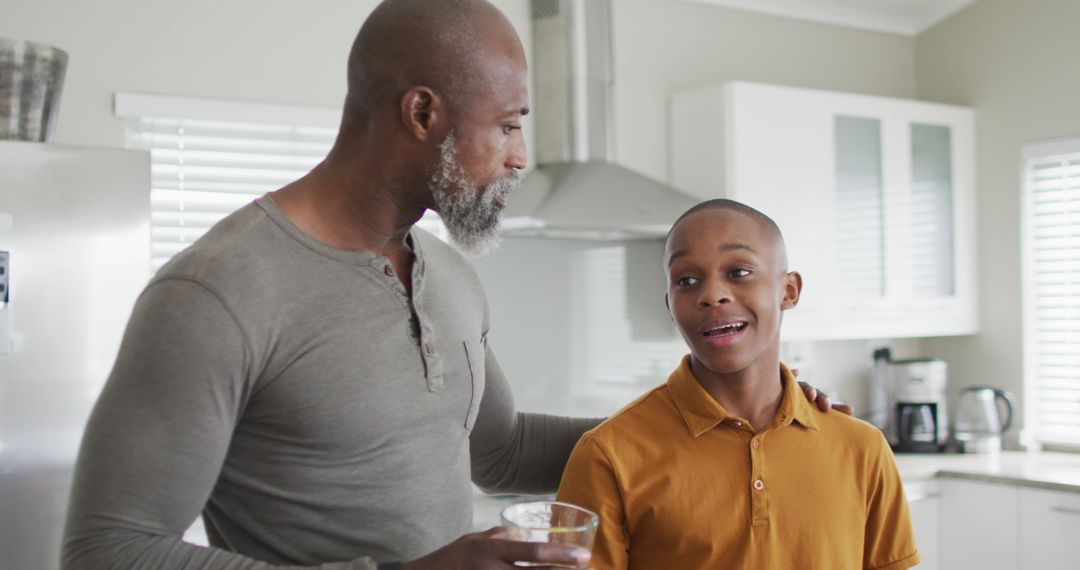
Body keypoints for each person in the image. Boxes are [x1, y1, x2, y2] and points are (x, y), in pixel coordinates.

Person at [61, 2, 844, 569]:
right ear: (423, 113)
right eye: (507, 124)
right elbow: (106, 548)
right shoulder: (217, 293)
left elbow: (498, 450)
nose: (519, 156)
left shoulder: (449, 275)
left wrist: (734, 421)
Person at [556, 199, 920, 570]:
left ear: (788, 291)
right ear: (670, 305)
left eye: (739, 272)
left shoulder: (862, 448)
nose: (711, 294)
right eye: (686, 280)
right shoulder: (607, 456)